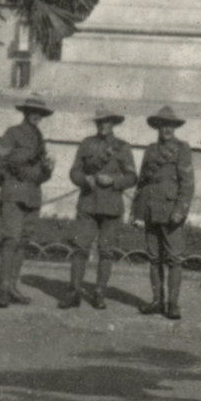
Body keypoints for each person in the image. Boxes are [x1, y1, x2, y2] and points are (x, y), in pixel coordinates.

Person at [59, 106, 138, 311]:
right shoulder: (87, 144)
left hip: (111, 207)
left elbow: (131, 177)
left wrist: (113, 180)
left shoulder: (123, 147)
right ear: (96, 124)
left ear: (113, 124)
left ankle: (99, 293)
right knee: (80, 248)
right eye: (100, 122)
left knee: (106, 251)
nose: (103, 125)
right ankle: (74, 291)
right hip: (88, 204)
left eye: (107, 121)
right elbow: (74, 172)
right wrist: (85, 179)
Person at [0, 96, 54, 308]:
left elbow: (41, 176)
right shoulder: (12, 133)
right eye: (33, 111)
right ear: (25, 112)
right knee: (11, 240)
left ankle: (13, 287)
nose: (37, 116)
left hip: (33, 195)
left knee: (23, 242)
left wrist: (47, 170)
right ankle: (3, 289)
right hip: (14, 194)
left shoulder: (39, 139)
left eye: (40, 113)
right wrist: (10, 185)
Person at [131, 104, 195, 320]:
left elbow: (187, 184)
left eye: (170, 125)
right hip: (150, 210)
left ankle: (172, 304)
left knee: (174, 259)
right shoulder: (150, 150)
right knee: (154, 258)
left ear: (174, 128)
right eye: (162, 125)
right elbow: (141, 182)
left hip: (170, 213)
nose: (166, 129)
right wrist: (136, 212)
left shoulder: (182, 149)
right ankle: (157, 300)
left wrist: (180, 210)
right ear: (157, 127)